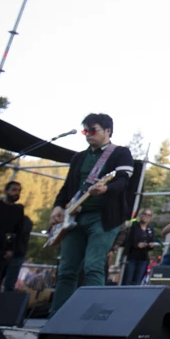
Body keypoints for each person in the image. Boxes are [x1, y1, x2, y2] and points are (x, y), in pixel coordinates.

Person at [48, 113, 136, 315]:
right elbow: (68, 187)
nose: (88, 134)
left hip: (103, 218)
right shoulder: (79, 157)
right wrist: (58, 206)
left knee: (93, 266)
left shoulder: (120, 153)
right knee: (67, 270)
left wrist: (106, 189)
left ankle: (92, 319)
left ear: (108, 131)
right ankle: (57, 317)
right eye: (85, 131)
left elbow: (122, 181)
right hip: (76, 218)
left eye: (93, 130)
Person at [122, 209, 158, 285]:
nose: (146, 216)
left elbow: (150, 241)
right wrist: (136, 244)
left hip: (143, 258)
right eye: (144, 214)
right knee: (127, 280)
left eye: (149, 215)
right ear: (140, 215)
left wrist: (151, 245)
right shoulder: (132, 226)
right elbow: (125, 241)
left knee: (138, 281)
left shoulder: (150, 229)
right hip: (131, 257)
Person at [3, 214, 33, 292]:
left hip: (15, 253)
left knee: (8, 281)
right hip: (14, 253)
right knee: (8, 281)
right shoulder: (26, 222)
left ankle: (5, 299)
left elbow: (18, 235)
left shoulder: (24, 223)